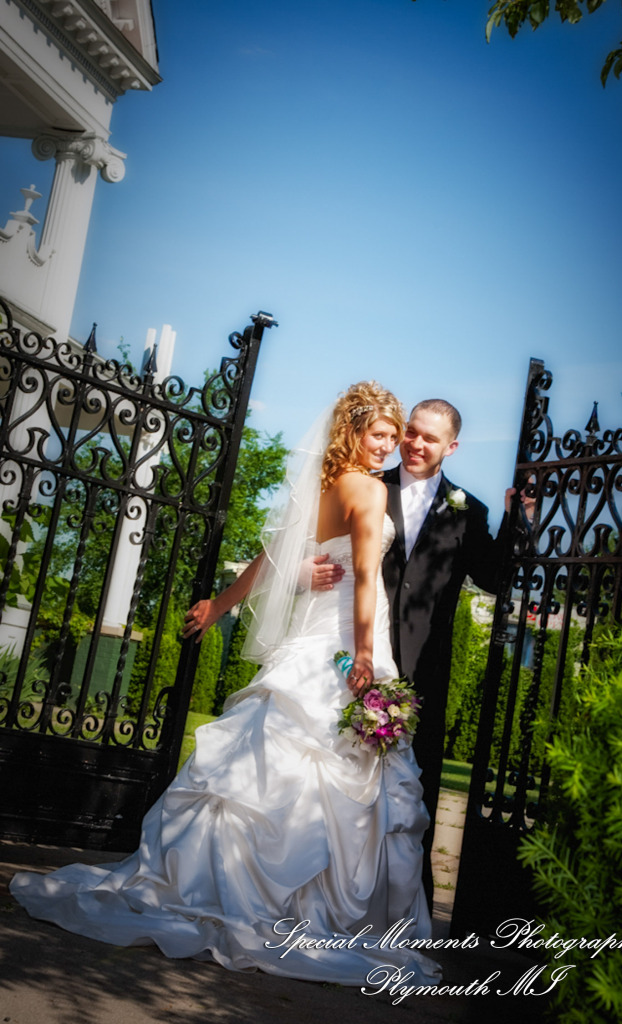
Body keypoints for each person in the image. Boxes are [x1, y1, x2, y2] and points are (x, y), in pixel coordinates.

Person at [10, 382, 441, 987]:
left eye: (394, 438)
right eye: (379, 434)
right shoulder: (368, 490)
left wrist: (217, 606)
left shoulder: (317, 490)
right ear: (352, 431)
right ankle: (312, 910)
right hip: (346, 646)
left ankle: (216, 882)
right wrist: (365, 656)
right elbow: (366, 577)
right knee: (347, 779)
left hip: (312, 646)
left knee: (283, 764)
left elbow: (267, 558)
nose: (388, 447)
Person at [311, 398, 524, 911]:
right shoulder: (370, 485)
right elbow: (321, 546)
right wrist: (305, 573)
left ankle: (407, 905)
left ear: (451, 447)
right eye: (411, 433)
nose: (414, 444)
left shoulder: (469, 511)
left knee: (414, 792)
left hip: (425, 671)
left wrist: (519, 520)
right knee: (337, 773)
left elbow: (494, 579)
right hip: (355, 657)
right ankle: (330, 888)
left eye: (429, 438)